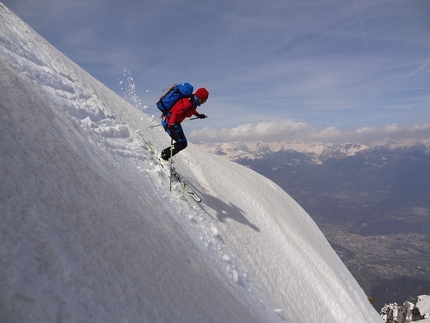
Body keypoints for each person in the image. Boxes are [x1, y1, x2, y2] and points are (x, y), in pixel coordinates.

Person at [160, 87, 209, 160]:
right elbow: (175, 113)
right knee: (182, 143)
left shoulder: (192, 102)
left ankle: (164, 155)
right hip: (169, 121)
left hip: (174, 122)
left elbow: (191, 110)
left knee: (182, 143)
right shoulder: (187, 103)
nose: (203, 103)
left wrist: (198, 115)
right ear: (199, 97)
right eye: (203, 101)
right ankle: (163, 156)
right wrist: (171, 126)